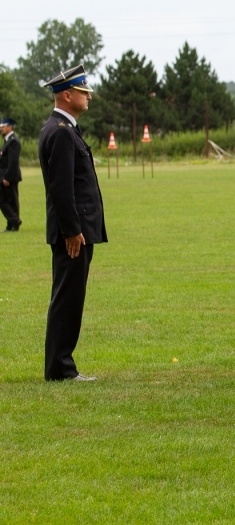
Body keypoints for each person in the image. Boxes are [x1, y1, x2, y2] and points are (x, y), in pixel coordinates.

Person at [38, 64, 107, 382]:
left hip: (74, 229)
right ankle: (61, 369)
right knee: (67, 298)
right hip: (72, 233)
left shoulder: (62, 128)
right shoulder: (62, 132)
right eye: (83, 91)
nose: (88, 96)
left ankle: (60, 366)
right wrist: (73, 231)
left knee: (68, 296)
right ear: (67, 95)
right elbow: (61, 189)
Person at [0, 117, 22, 232]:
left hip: (9, 176)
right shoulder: (7, 140)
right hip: (4, 175)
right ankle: (11, 224)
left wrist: (7, 177)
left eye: (3, 127)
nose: (1, 129)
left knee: (10, 200)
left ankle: (15, 222)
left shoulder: (13, 141)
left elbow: (13, 162)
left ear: (10, 127)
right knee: (6, 200)